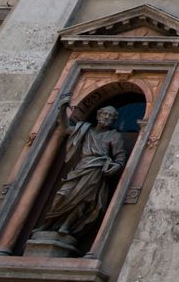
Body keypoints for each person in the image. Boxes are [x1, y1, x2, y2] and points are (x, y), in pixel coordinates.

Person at [36, 99, 128, 241]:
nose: (107, 118)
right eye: (105, 114)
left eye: (111, 116)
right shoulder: (85, 130)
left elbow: (120, 157)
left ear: (114, 120)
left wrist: (116, 166)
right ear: (98, 115)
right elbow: (65, 128)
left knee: (84, 200)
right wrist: (62, 109)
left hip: (96, 169)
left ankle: (66, 226)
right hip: (81, 167)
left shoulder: (114, 136)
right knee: (63, 194)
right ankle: (48, 223)